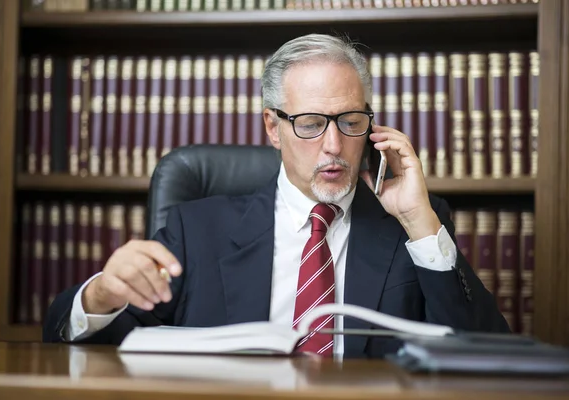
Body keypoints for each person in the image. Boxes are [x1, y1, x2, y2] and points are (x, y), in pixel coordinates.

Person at [43, 33, 510, 359]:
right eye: (309, 124)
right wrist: (101, 296)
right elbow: (87, 345)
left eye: (350, 122)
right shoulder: (197, 231)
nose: (334, 146)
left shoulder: (412, 229)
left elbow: (486, 356)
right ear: (273, 127)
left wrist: (420, 222)